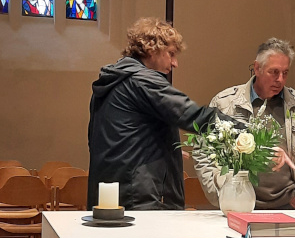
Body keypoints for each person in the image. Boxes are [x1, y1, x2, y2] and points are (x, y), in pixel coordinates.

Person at [87, 17, 222, 210]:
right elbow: (190, 115)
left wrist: (163, 148)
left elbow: (101, 140)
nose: (175, 63)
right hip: (141, 198)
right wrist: (246, 134)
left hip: (109, 195)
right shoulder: (144, 80)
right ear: (152, 49)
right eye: (171, 54)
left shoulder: (111, 82)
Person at [194, 38, 295, 210]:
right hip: (238, 203)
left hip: (287, 203)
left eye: (285, 73)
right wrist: (221, 196)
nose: (280, 79)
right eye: (274, 72)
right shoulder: (225, 103)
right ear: (257, 68)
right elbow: (202, 151)